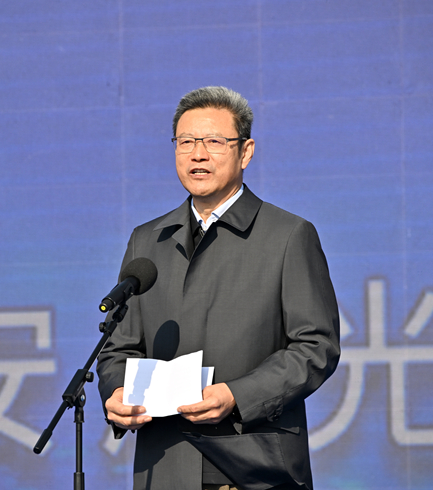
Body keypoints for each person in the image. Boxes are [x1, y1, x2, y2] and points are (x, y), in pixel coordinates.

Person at [97, 86, 340, 490]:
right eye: (186, 142)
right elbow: (117, 347)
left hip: (252, 466)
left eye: (213, 141)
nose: (198, 154)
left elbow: (316, 347)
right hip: (165, 465)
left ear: (246, 152)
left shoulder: (287, 236)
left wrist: (237, 395)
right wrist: (117, 389)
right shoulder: (147, 241)